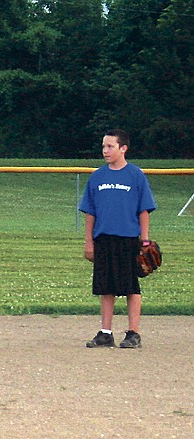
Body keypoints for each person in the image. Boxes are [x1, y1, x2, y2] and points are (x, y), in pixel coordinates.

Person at [78, 129, 157, 349]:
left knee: (131, 287)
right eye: (103, 146)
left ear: (123, 148)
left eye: (110, 146)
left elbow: (144, 210)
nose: (105, 150)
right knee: (106, 287)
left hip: (129, 239)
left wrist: (145, 240)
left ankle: (133, 333)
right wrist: (88, 242)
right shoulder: (98, 176)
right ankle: (105, 333)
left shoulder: (135, 175)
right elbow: (90, 213)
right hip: (103, 238)